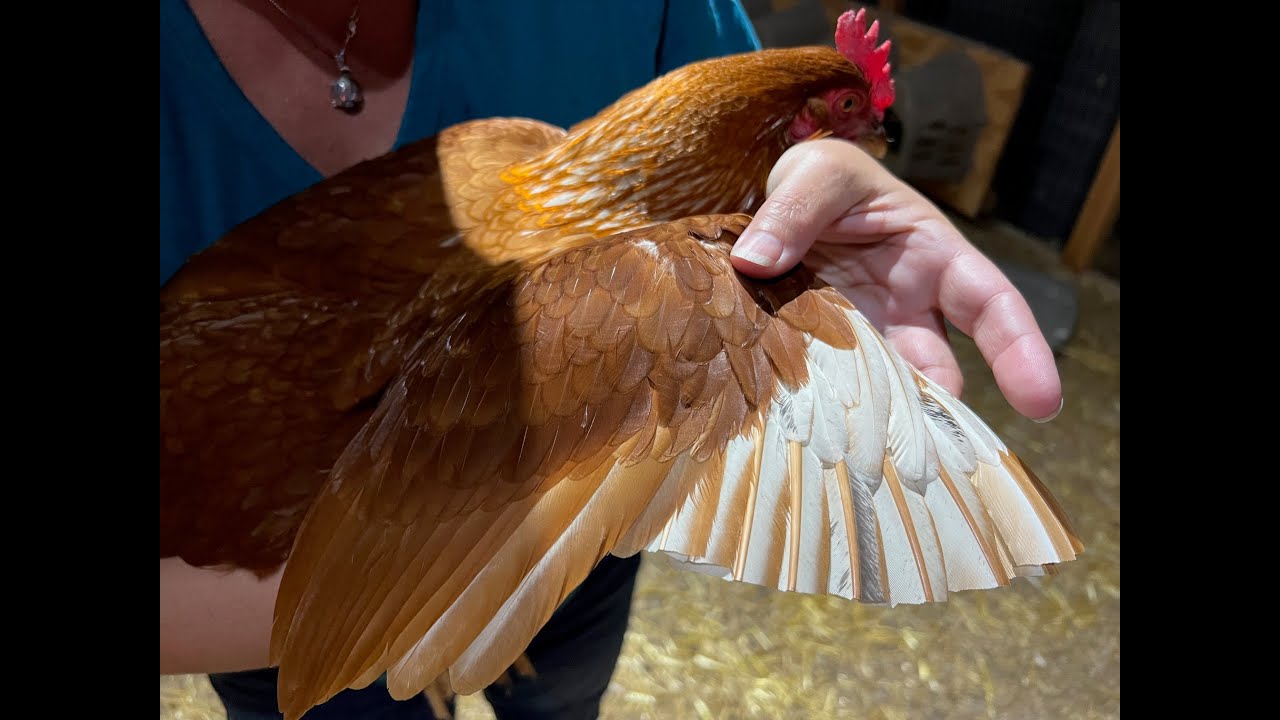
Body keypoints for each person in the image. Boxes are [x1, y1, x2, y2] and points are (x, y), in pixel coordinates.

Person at [159, 1, 1063, 719]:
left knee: (561, 694)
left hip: (576, 532)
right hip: (251, 596)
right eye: (851, 116)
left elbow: (719, 137)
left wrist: (821, 202)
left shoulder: (589, 63)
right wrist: (401, 587)